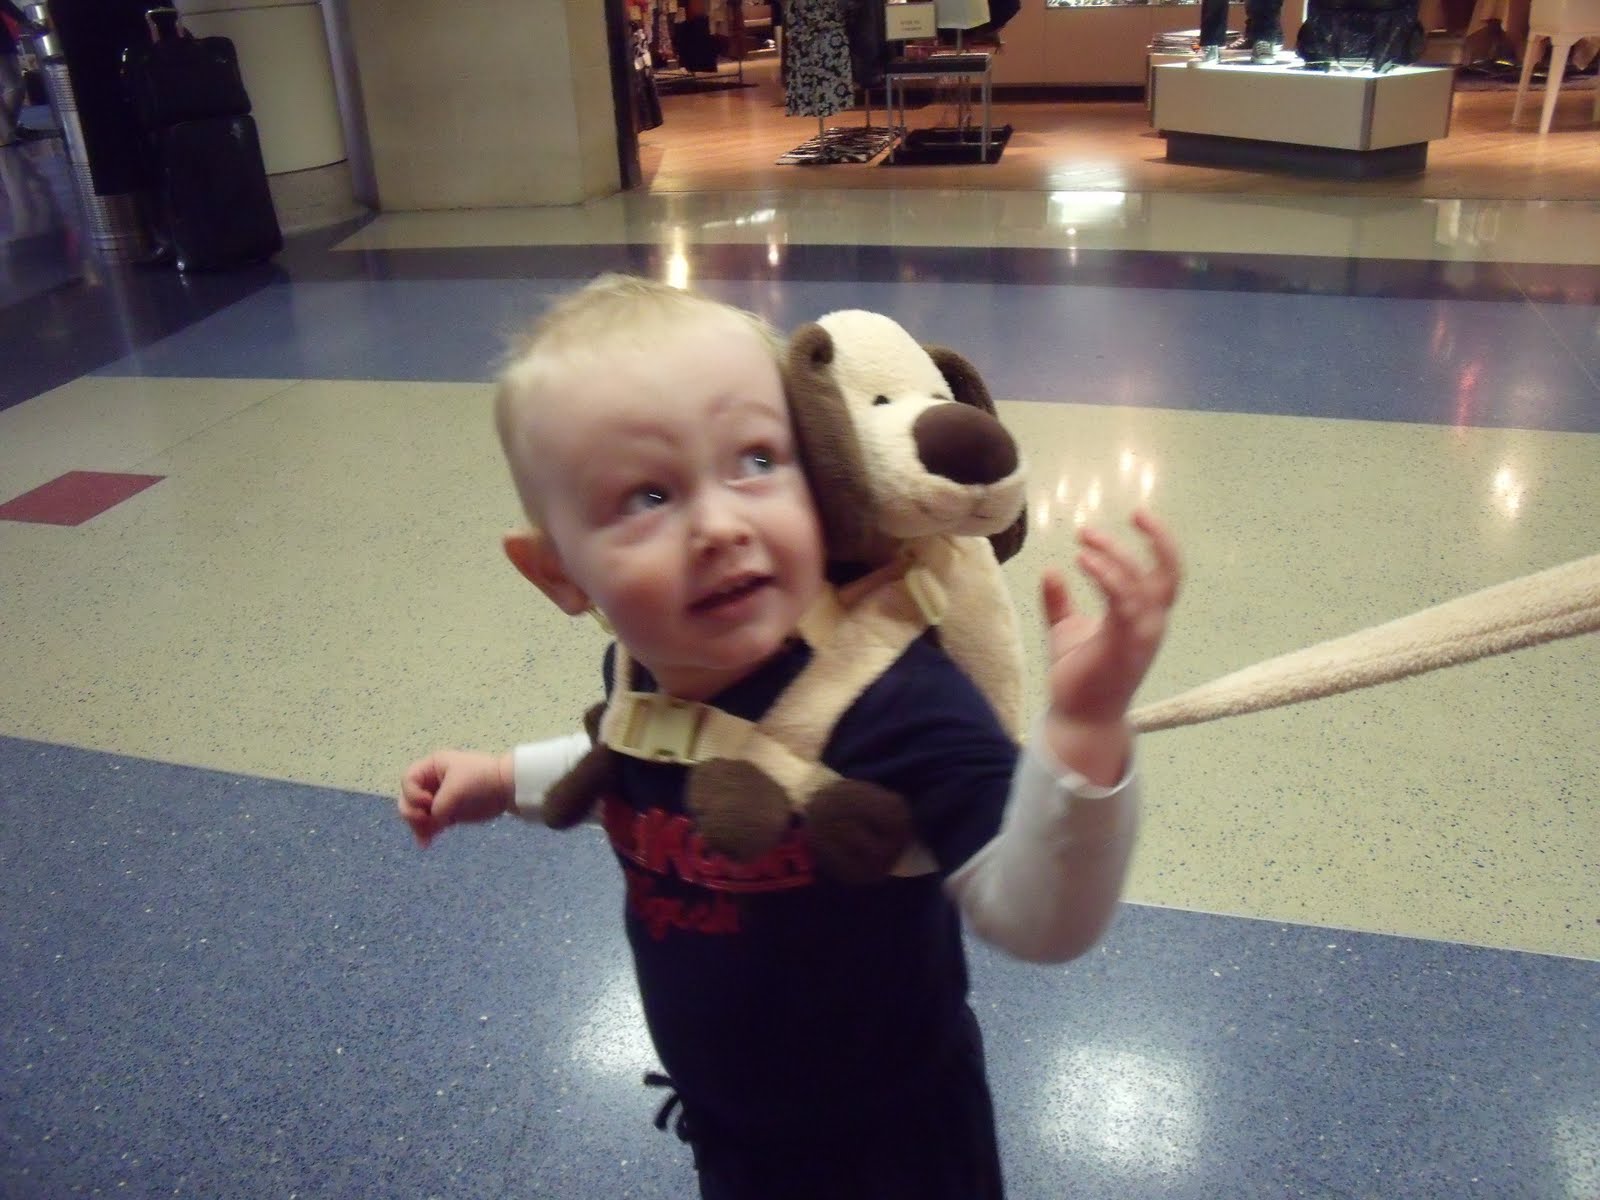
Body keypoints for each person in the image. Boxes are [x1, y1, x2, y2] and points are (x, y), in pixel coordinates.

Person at [397, 274, 1182, 1200]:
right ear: (557, 571)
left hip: (895, 1145)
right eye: (647, 496)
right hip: (732, 1130)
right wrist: (503, 778)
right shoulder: (643, 668)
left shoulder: (898, 702)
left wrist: (1085, 732)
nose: (720, 525)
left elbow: (1042, 920)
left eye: (758, 459)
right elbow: (650, 758)